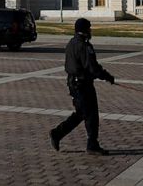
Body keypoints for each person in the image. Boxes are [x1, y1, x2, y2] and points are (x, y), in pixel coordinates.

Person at [49, 18, 115, 155]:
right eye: (89, 28)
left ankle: (58, 134)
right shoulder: (84, 46)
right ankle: (91, 144)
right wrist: (107, 76)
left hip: (73, 84)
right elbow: (92, 67)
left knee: (82, 113)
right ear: (85, 30)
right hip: (83, 85)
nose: (90, 30)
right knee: (91, 114)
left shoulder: (71, 43)